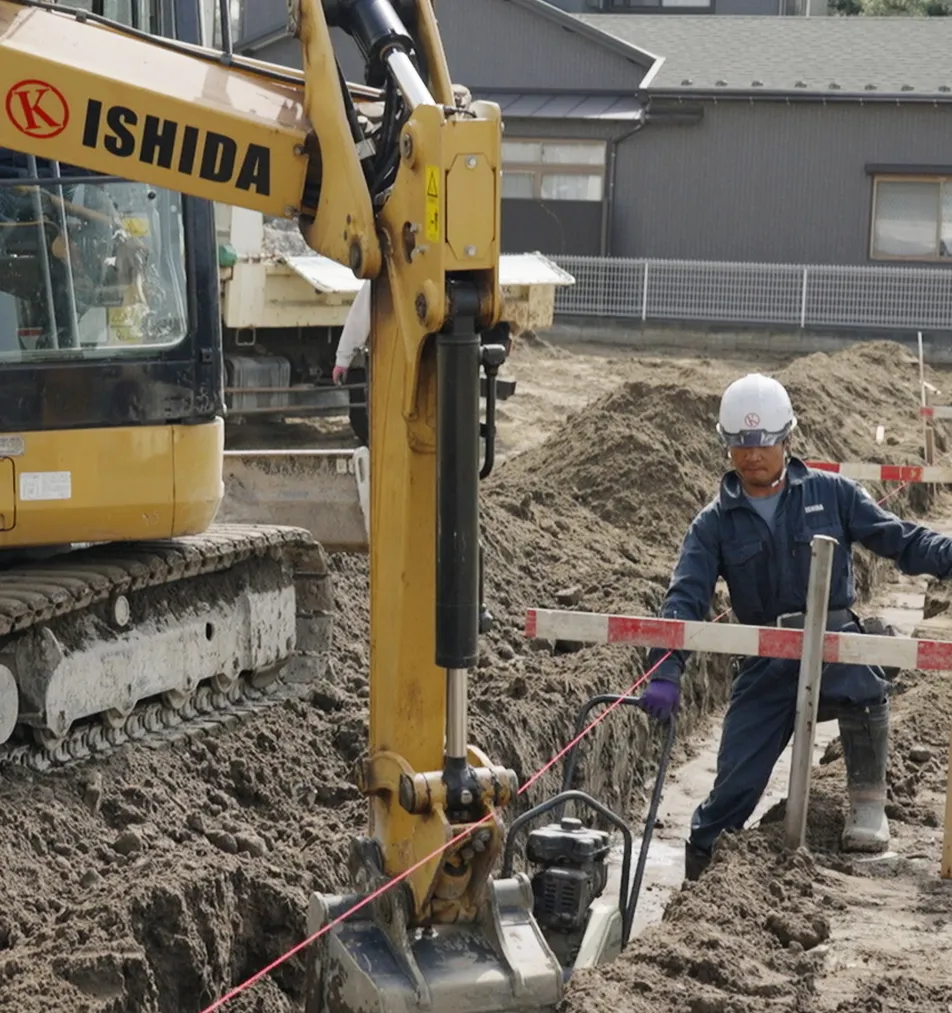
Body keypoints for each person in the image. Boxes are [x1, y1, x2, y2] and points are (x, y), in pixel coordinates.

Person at [637, 372, 952, 882]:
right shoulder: (713, 524)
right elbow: (685, 598)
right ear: (726, 444)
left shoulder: (832, 494)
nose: (751, 455)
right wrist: (666, 669)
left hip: (835, 648)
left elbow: (900, 540)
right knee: (730, 794)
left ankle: (867, 802)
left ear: (787, 438)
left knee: (865, 673)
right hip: (767, 664)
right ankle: (700, 880)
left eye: (763, 443)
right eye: (740, 444)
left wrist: (947, 555)